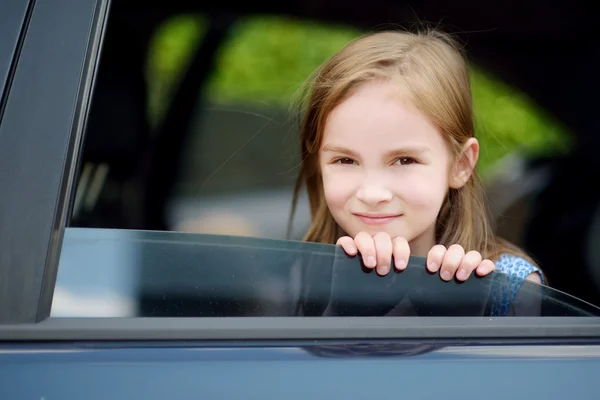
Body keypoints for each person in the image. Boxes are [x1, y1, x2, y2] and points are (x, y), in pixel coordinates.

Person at [288, 28, 545, 286]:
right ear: (318, 163)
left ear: (460, 164)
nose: (372, 193)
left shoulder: (507, 285)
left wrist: (463, 317)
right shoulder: (303, 275)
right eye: (345, 160)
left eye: (405, 160)